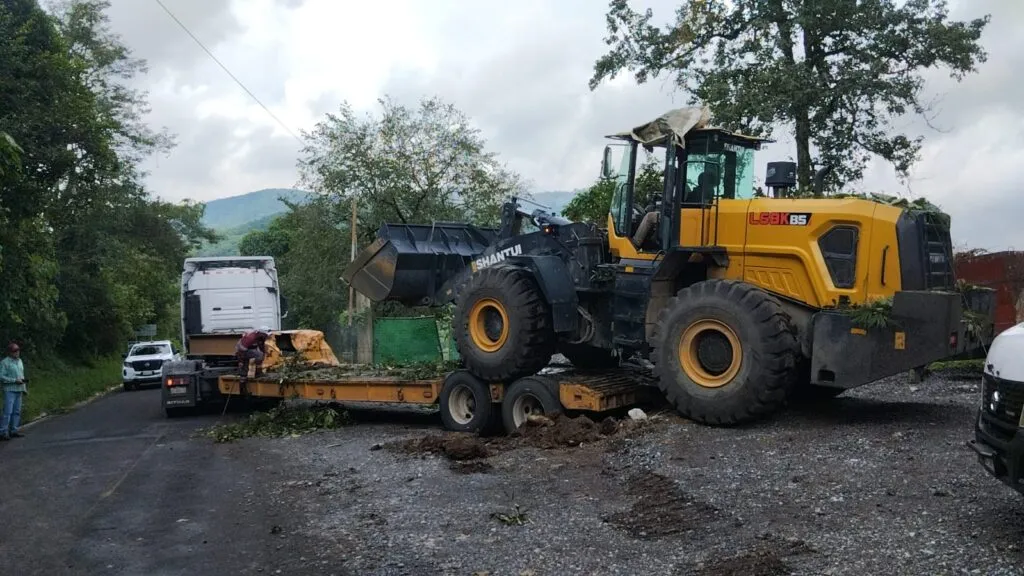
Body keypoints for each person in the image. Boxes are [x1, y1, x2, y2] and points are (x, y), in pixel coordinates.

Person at [0, 342, 27, 440]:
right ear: (10, 352)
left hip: (19, 389)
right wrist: (14, 380)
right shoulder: (5, 362)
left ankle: (14, 430)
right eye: (15, 350)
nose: (17, 352)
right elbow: (1, 376)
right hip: (9, 389)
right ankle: (3, 432)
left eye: (18, 350)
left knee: (17, 411)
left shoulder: (20, 361)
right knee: (8, 411)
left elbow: (21, 375)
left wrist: (24, 388)